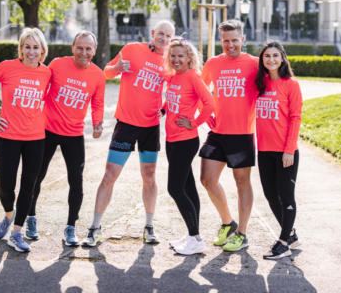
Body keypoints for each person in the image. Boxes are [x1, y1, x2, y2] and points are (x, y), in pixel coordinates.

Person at [81, 20, 175, 246]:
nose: (163, 39)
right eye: (160, 34)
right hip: (125, 125)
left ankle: (149, 227)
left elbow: (175, 89)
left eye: (168, 36)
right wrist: (116, 69)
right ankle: (95, 227)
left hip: (151, 127)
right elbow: (106, 72)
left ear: (172, 39)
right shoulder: (132, 49)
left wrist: (163, 107)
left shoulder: (170, 60)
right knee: (109, 175)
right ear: (153, 33)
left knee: (149, 176)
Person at [26, 31, 105, 246]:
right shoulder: (57, 65)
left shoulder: (98, 75)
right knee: (36, 176)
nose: (84, 52)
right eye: (80, 47)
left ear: (94, 51)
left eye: (88, 48)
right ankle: (30, 218)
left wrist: (98, 123)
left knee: (76, 181)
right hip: (47, 130)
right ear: (73, 47)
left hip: (74, 134)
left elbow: (97, 104)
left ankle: (71, 227)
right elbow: (39, 86)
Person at [0, 28, 51, 253]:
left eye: (35, 47)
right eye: (27, 47)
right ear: (21, 49)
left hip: (36, 138)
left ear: (42, 50)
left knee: (29, 186)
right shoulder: (7, 67)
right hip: (9, 136)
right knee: (6, 187)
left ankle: (17, 234)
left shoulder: (47, 73)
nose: (31, 51)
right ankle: (9, 215)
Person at [199, 20, 259, 252]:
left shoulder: (254, 63)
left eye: (235, 40)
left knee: (242, 182)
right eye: (225, 41)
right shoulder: (213, 63)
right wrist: (204, 116)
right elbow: (198, 90)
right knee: (207, 179)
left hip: (242, 133)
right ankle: (228, 222)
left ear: (242, 40)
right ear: (220, 41)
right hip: (217, 132)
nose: (230, 45)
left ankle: (242, 233)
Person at [157, 38, 215, 255]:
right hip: (171, 140)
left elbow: (210, 103)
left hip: (185, 140)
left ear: (189, 58)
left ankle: (197, 239)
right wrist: (163, 110)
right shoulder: (172, 77)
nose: (176, 59)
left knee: (175, 189)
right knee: (189, 188)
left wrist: (195, 122)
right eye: (173, 56)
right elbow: (172, 101)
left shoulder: (192, 76)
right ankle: (192, 235)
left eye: (181, 56)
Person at [255, 40, 303, 260]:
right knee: (269, 195)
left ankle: (283, 242)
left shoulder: (290, 84)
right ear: (262, 60)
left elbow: (295, 118)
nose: (271, 59)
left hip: (285, 151)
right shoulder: (259, 84)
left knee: (286, 197)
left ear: (282, 58)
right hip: (264, 150)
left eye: (275, 55)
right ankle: (291, 234)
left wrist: (290, 149)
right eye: (267, 56)